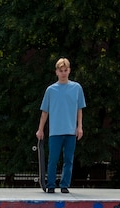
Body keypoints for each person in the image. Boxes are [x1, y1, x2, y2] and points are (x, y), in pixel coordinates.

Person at [36, 57, 86, 193]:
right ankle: (51, 185)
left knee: (68, 159)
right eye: (61, 70)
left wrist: (79, 127)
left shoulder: (76, 88)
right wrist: (40, 129)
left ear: (69, 71)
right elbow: (44, 111)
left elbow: (79, 109)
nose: (63, 73)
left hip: (70, 130)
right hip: (55, 131)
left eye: (65, 70)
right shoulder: (51, 90)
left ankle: (64, 185)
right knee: (53, 159)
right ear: (56, 72)